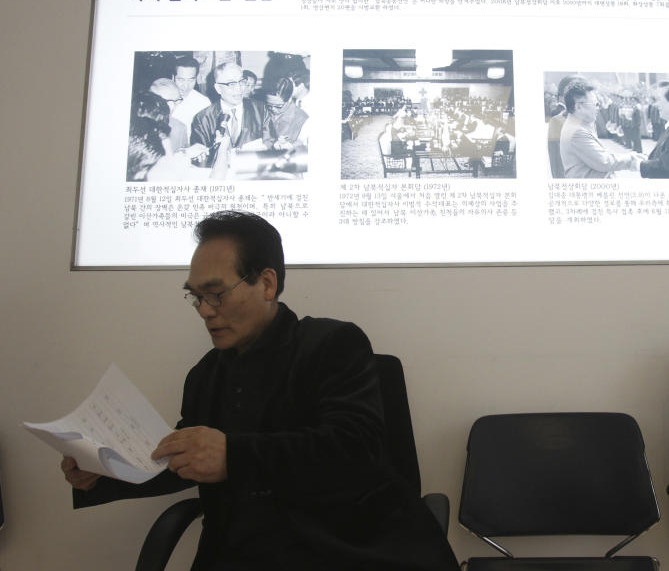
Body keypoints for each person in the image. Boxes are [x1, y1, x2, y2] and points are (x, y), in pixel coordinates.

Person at [62, 211, 459, 571]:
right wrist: (104, 471)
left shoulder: (333, 343)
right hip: (242, 551)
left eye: (215, 293)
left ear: (266, 283)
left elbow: (356, 449)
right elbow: (187, 461)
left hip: (341, 547)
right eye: (196, 296)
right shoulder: (204, 375)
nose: (204, 310)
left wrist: (233, 456)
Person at [190, 63, 269, 167]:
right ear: (218, 88)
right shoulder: (203, 118)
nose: (239, 89)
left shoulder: (260, 109)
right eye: (231, 84)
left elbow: (270, 144)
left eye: (241, 81)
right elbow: (201, 161)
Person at [558, 81, 639, 178]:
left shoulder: (580, 125)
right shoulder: (576, 131)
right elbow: (604, 162)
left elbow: (599, 154)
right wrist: (630, 158)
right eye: (595, 104)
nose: (598, 108)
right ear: (578, 107)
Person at [263, 77, 311, 149]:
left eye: (278, 106)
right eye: (269, 105)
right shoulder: (262, 110)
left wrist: (289, 146)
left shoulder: (301, 119)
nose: (272, 109)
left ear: (289, 99)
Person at [149, 78, 189, 153]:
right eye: (168, 101)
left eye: (177, 100)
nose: (173, 106)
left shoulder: (179, 128)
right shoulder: (136, 126)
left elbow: (181, 161)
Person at [171, 56, 212, 129]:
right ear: (173, 78)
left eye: (191, 80)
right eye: (181, 80)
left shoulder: (203, 103)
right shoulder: (162, 97)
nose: (186, 86)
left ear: (196, 78)